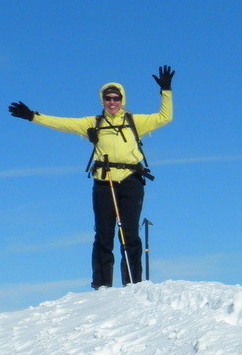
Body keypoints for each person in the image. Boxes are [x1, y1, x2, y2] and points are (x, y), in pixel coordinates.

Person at [9, 66, 174, 289]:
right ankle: (102, 284)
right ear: (102, 101)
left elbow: (166, 117)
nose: (112, 102)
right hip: (103, 181)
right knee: (104, 233)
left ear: (122, 99)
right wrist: (32, 116)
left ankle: (134, 284)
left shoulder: (136, 121)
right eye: (108, 98)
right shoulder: (92, 123)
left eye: (116, 98)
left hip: (131, 180)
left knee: (130, 232)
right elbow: (63, 123)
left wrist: (166, 90)